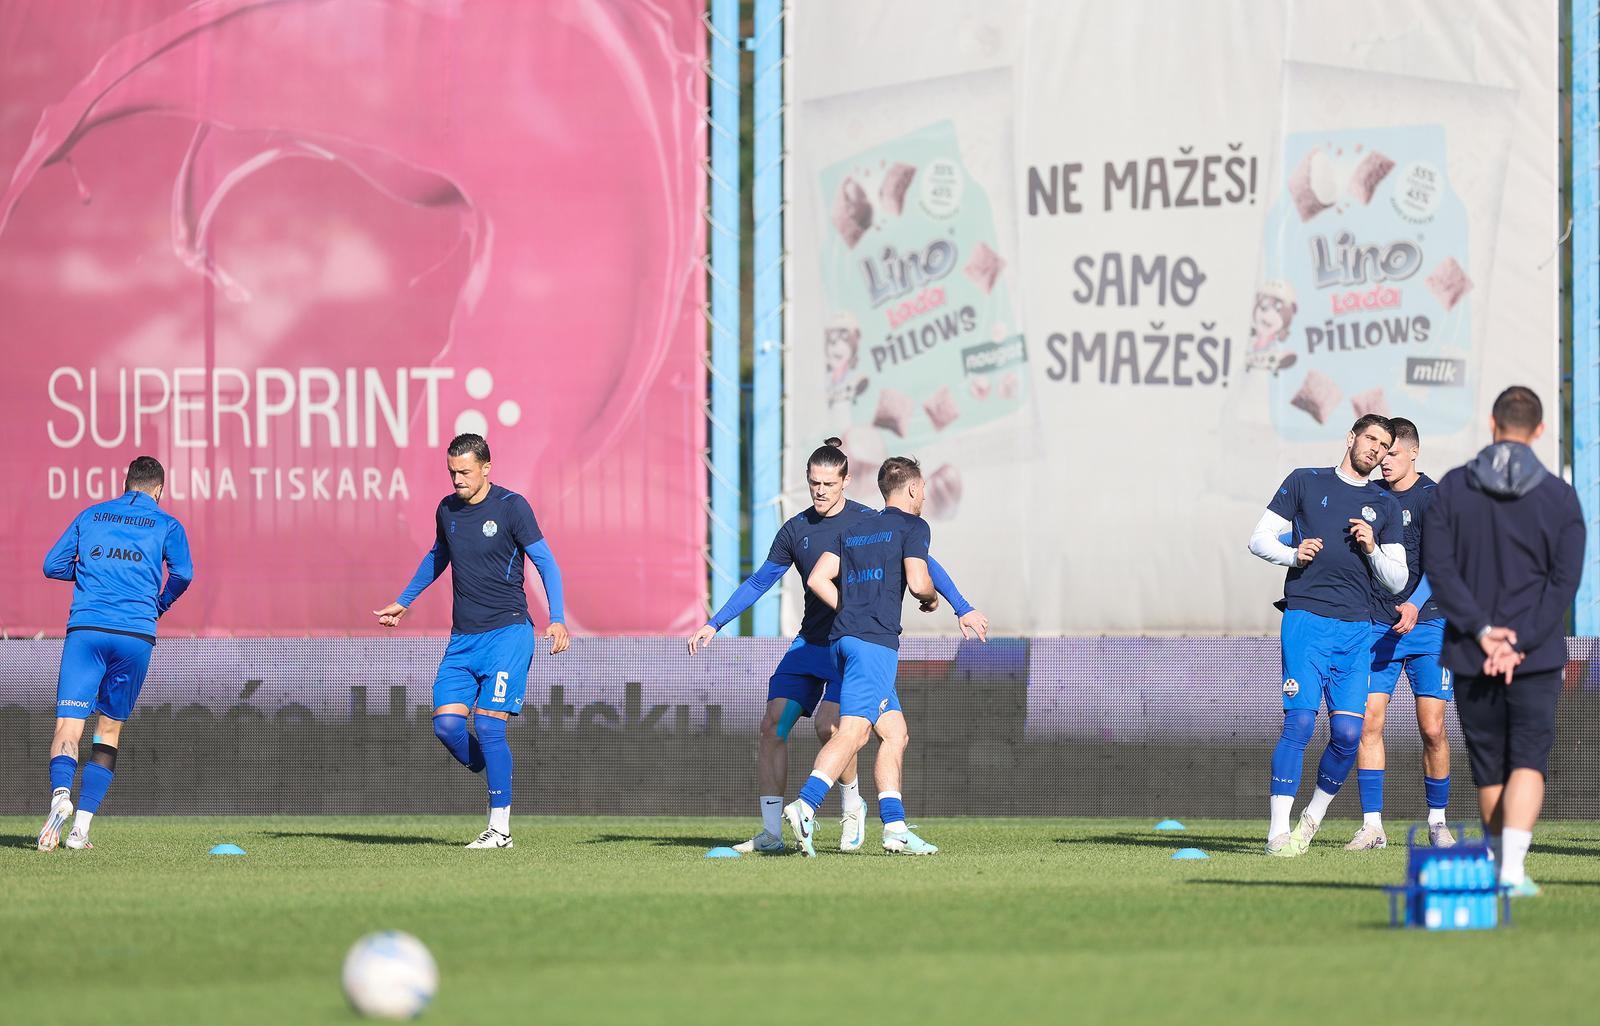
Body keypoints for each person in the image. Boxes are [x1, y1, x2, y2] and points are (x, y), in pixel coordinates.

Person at [687, 439, 986, 854]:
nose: (821, 491)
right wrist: (714, 622)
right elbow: (760, 581)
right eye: (814, 483)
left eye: (829, 482)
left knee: (840, 728)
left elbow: (923, 563)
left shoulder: (869, 521)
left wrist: (961, 606)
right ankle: (775, 833)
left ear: (846, 481)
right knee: (773, 724)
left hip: (850, 643)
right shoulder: (796, 530)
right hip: (819, 642)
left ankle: (852, 810)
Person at [1423, 386, 1585, 896]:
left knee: (1489, 767)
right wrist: (1522, 641)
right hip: (1534, 657)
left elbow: (1439, 570)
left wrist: (1484, 633)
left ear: (1493, 423)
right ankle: (1512, 872)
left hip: (1472, 654)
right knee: (1529, 762)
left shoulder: (1450, 489)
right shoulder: (1560, 498)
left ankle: (1501, 868)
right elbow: (1565, 582)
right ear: (1539, 429)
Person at [373, 433, 569, 849]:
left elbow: (546, 562)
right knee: (446, 725)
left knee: (487, 725)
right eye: (451, 472)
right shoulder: (447, 510)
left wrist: (557, 619)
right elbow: (437, 556)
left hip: (509, 633)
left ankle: (500, 830)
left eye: (464, 471)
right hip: (463, 640)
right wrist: (403, 601)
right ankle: (496, 768)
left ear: (486, 468)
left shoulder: (512, 507)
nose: (457, 479)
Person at [1247, 415, 1408, 856]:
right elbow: (1258, 539)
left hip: (1358, 631)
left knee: (1348, 736)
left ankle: (1311, 818)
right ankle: (1277, 834)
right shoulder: (1304, 481)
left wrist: (1373, 548)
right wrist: (1293, 554)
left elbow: (1397, 581)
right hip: (1306, 621)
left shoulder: (1384, 505)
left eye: (1385, 444)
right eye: (1370, 439)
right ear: (1352, 438)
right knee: (1299, 721)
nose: (1376, 449)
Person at [786, 456, 953, 857]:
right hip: (874, 645)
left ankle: (894, 828)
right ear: (914, 489)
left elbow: (817, 578)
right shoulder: (913, 526)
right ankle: (806, 805)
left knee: (895, 732)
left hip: (842, 641)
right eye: (924, 488)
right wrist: (931, 599)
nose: (925, 495)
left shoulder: (858, 528)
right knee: (855, 731)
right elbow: (917, 582)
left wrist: (849, 610)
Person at [38, 456, 193, 851]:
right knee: (109, 730)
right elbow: (183, 574)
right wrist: (161, 602)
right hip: (135, 634)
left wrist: (94, 572)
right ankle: (81, 831)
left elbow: (52, 565)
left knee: (68, 726)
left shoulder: (91, 515)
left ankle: (60, 797)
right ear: (158, 489)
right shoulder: (167, 524)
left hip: (86, 631)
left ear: (125, 484)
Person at [1347, 417, 1456, 850]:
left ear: (1413, 452)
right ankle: (1372, 826)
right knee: (1368, 721)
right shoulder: (1370, 497)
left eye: (1392, 453)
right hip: (1378, 626)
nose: (1383, 460)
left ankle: (1437, 823)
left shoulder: (1434, 498)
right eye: (1381, 452)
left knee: (1432, 727)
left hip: (1428, 623)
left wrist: (1415, 602)